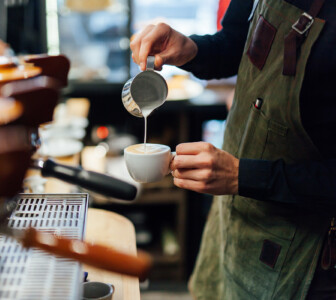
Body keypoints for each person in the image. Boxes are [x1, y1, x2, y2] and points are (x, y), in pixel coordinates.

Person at [130, 0, 336, 299]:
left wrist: (244, 176)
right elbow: (234, 44)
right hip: (234, 215)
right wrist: (191, 48)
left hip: (304, 257)